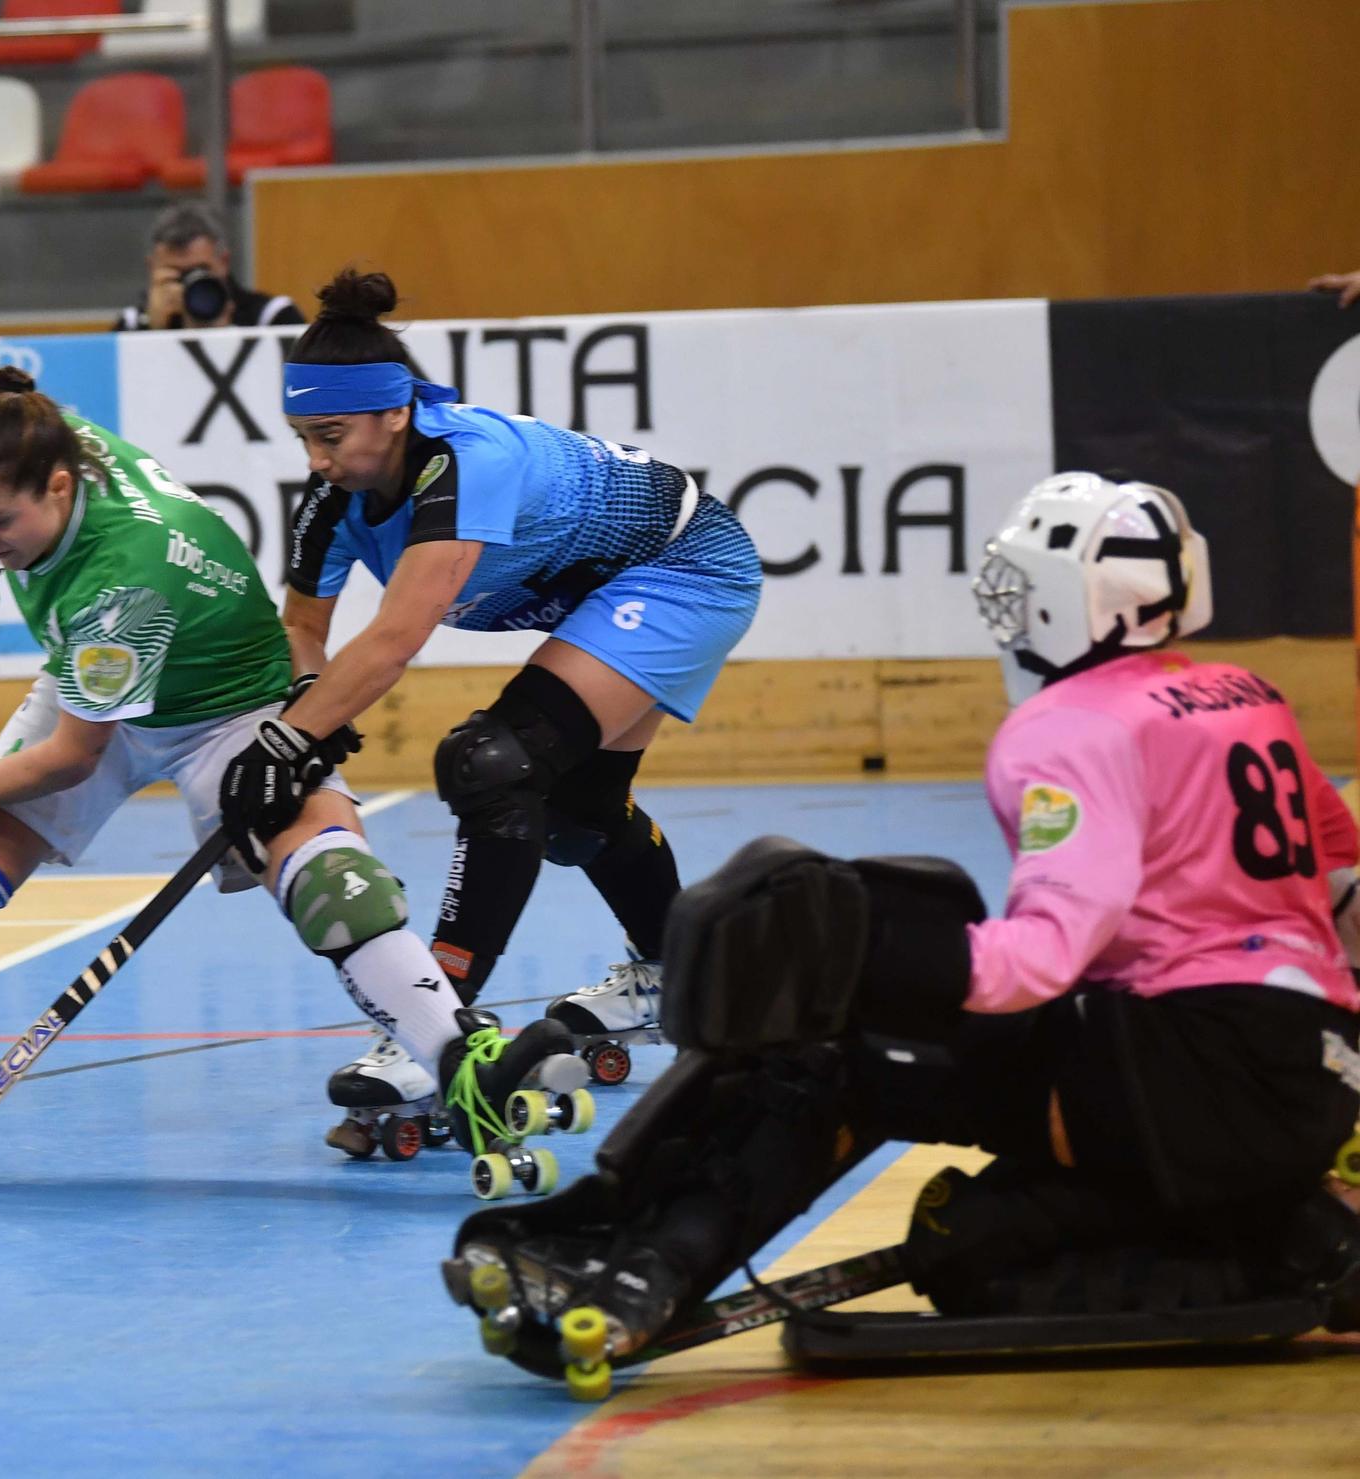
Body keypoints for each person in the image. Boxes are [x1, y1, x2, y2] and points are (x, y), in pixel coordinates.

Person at [446, 473, 1360, 1376]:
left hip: (1194, 1072)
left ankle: (644, 1263)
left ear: (1065, 605)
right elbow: (1346, 882)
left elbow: (1041, 961)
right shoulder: (1247, 695)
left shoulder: (1069, 728)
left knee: (839, 1057)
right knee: (968, 1241)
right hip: (1303, 1075)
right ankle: (1297, 1229)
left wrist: (863, 953)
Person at [0, 365, 583, 1171]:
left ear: (57, 486)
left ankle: (458, 1063)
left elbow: (67, 760)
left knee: (335, 891)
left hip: (226, 708)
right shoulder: (44, 435)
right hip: (97, 684)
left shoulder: (121, 582)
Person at [214, 268, 764, 1125]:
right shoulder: (336, 498)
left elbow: (396, 639)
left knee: (491, 764)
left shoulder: (466, 467)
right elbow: (304, 632)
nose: (318, 462)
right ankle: (672, 973)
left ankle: (437, 1023)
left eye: (330, 435)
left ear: (395, 413)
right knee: (579, 810)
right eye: (302, 439)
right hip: (609, 584)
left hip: (684, 566)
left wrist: (285, 745)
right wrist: (307, 707)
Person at [111, 202, 305, 333]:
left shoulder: (272, 319)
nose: (190, 283)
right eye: (177, 274)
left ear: (224, 261)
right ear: (152, 268)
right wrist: (151, 330)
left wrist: (228, 336)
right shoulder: (132, 325)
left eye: (200, 270)